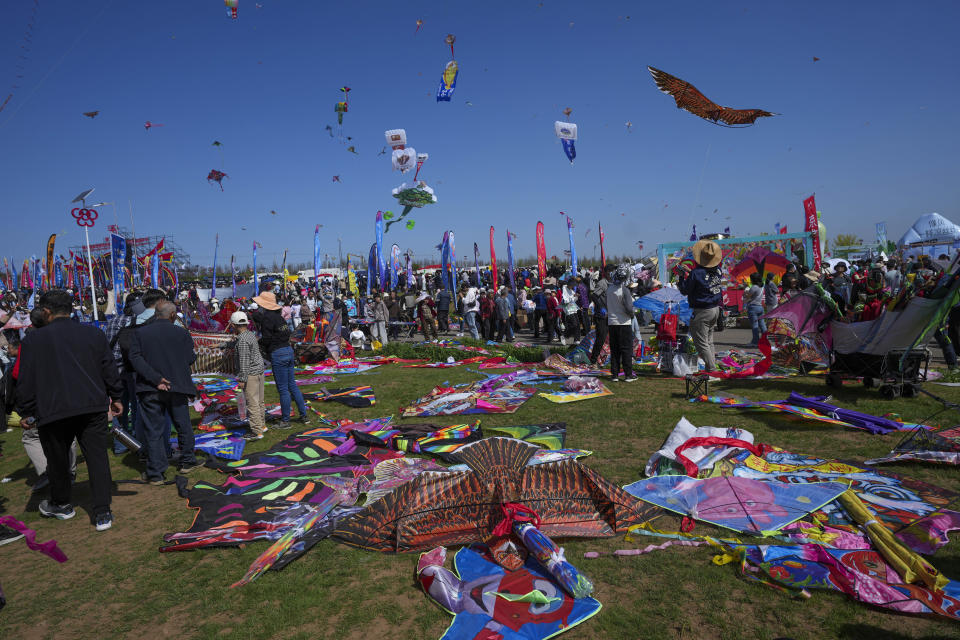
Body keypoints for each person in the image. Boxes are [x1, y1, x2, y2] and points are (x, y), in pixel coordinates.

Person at [15, 290, 123, 531]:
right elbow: (109, 368)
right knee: (96, 458)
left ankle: (64, 503)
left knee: (58, 460)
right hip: (88, 405)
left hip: (55, 408)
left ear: (45, 311)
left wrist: (27, 410)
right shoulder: (91, 333)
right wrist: (116, 395)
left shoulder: (33, 340)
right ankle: (102, 510)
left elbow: (25, 379)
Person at [128, 301, 203, 484]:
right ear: (172, 315)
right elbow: (190, 358)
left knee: (154, 430)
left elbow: (135, 359)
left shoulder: (140, 333)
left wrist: (154, 377)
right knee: (182, 424)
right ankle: (187, 460)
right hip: (175, 385)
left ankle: (156, 472)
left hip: (150, 387)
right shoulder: (181, 332)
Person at [251, 291, 308, 427]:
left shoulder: (267, 318)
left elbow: (267, 338)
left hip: (278, 353)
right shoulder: (279, 317)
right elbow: (286, 332)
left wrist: (258, 342)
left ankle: (286, 421)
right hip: (288, 350)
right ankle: (304, 415)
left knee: (283, 389)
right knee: (292, 385)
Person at [679, 239, 723, 371]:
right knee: (709, 340)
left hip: (702, 311)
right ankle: (712, 366)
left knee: (701, 342)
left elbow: (685, 290)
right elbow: (703, 277)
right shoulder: (718, 270)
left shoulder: (696, 273)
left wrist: (682, 277)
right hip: (715, 309)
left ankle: (711, 369)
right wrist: (690, 272)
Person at [231, 311, 266, 441]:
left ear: (234, 325)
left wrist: (242, 379)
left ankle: (256, 431)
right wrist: (221, 345)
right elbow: (238, 346)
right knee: (259, 401)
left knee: (252, 404)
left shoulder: (242, 341)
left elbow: (244, 362)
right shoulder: (249, 335)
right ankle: (261, 426)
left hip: (250, 374)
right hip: (259, 371)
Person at [606, 265, 636, 381]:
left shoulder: (609, 289)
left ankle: (614, 374)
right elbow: (629, 307)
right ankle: (628, 374)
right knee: (626, 349)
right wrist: (632, 314)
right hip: (624, 323)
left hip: (612, 322)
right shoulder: (625, 290)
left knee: (615, 350)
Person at [589, 268, 610, 365]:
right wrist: (600, 307)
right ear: (605, 273)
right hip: (601, 315)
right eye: (610, 271)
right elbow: (593, 296)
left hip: (611, 315)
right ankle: (593, 361)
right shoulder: (602, 283)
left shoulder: (613, 283)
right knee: (600, 338)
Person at [744, 272, 766, 347]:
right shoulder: (761, 286)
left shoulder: (754, 287)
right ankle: (764, 340)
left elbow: (748, 297)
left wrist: (745, 291)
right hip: (760, 307)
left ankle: (755, 342)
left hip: (753, 307)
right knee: (762, 325)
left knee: (755, 325)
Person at [561, 280, 581, 345]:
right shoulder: (564, 289)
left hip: (574, 309)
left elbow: (574, 300)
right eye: (572, 286)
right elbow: (565, 300)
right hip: (568, 310)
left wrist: (576, 296)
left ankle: (577, 339)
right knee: (573, 325)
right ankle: (565, 335)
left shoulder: (571, 290)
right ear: (569, 284)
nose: (572, 287)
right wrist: (573, 296)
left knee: (577, 324)